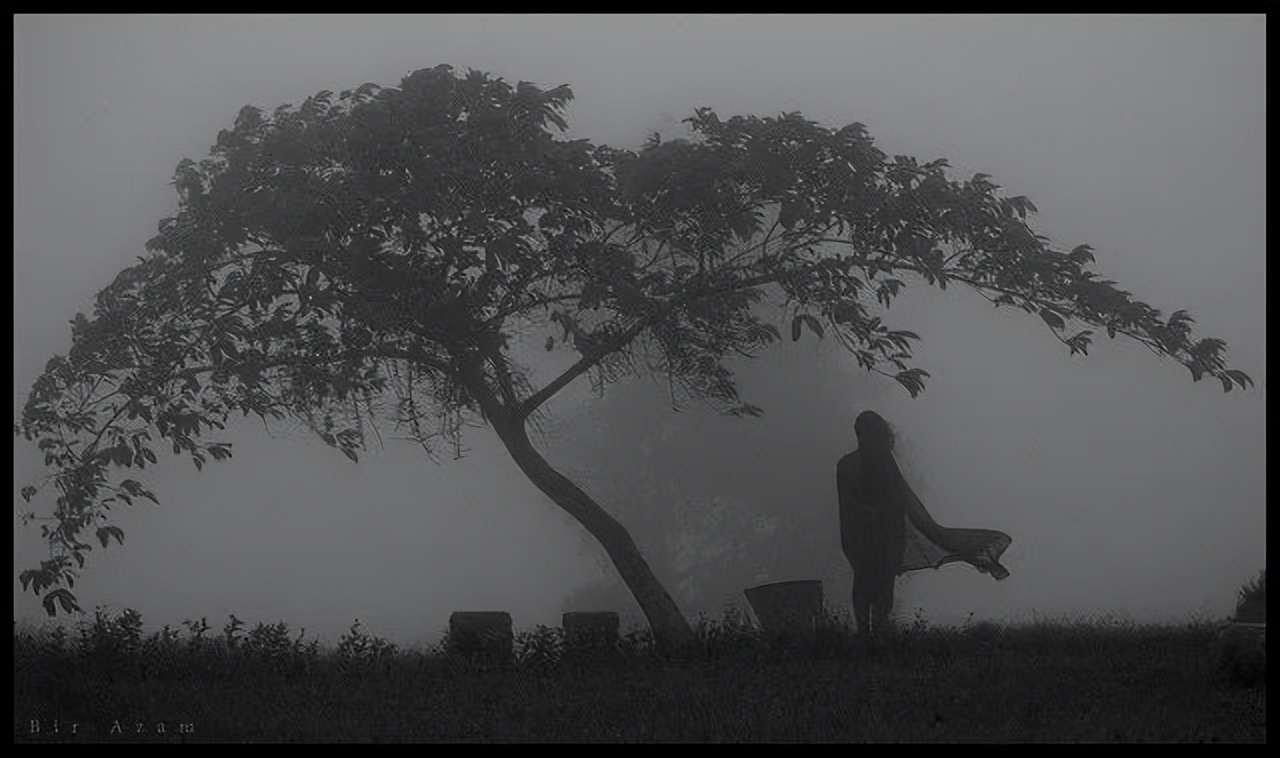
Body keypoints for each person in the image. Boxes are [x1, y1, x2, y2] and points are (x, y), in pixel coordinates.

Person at [837, 411, 1012, 638]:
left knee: (881, 583)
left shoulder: (881, 462)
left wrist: (932, 532)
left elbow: (902, 499)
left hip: (887, 534)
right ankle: (865, 634)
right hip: (865, 535)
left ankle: (874, 634)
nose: (863, 438)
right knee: (866, 581)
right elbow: (847, 505)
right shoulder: (848, 465)